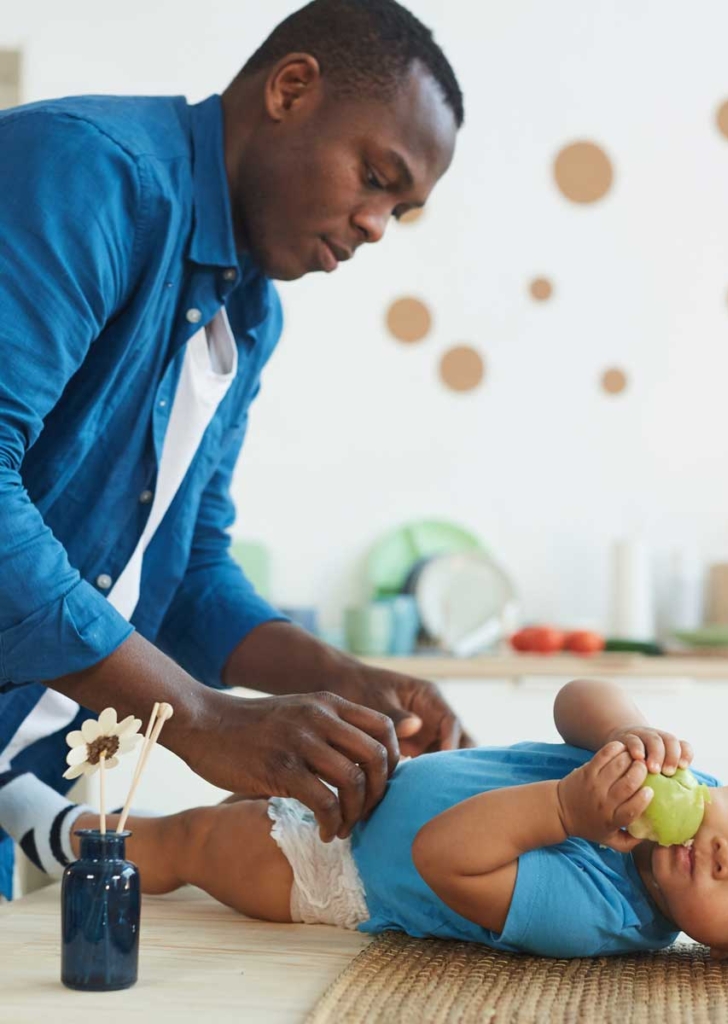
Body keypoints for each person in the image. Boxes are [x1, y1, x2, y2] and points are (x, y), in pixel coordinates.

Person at [0, 0, 468, 900]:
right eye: (376, 176)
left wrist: (343, 680)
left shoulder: (247, 315)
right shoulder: (91, 174)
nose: (377, 227)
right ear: (291, 88)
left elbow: (187, 574)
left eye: (399, 211)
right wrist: (205, 720)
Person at [0, 679, 728, 977]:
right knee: (210, 811)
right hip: (374, 792)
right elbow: (573, 698)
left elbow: (443, 858)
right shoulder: (683, 780)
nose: (722, 847)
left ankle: (67, 847)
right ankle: (69, 839)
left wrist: (567, 809)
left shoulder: (599, 917)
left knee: (198, 845)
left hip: (343, 872)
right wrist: (621, 732)